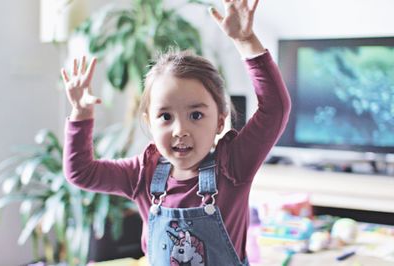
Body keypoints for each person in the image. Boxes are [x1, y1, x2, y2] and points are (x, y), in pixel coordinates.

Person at [61, 0, 291, 265]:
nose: (180, 130)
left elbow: (275, 108)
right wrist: (80, 114)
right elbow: (81, 172)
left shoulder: (234, 165)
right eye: (166, 116)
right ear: (149, 122)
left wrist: (246, 41)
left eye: (196, 115)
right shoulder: (142, 174)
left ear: (219, 121)